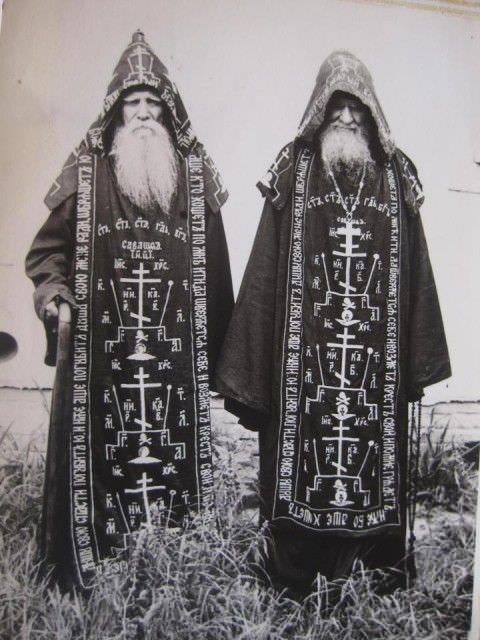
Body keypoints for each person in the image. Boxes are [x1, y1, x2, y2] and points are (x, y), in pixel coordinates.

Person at [215, 50, 451, 597]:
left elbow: (417, 267)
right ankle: (296, 576)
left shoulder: (397, 177)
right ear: (320, 111)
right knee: (297, 463)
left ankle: (372, 569)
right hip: (304, 371)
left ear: (372, 115)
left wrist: (416, 360)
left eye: (357, 110)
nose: (346, 120)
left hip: (374, 372)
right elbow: (265, 270)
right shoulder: (291, 173)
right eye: (337, 109)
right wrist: (253, 373)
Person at [25, 31, 233, 589]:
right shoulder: (85, 172)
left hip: (172, 360)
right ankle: (95, 563)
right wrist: (56, 299)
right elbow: (46, 255)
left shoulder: (193, 178)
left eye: (153, 104)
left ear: (168, 112)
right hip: (103, 352)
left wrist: (219, 361)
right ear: (116, 111)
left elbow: (216, 271)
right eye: (132, 104)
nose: (142, 115)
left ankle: (174, 565)